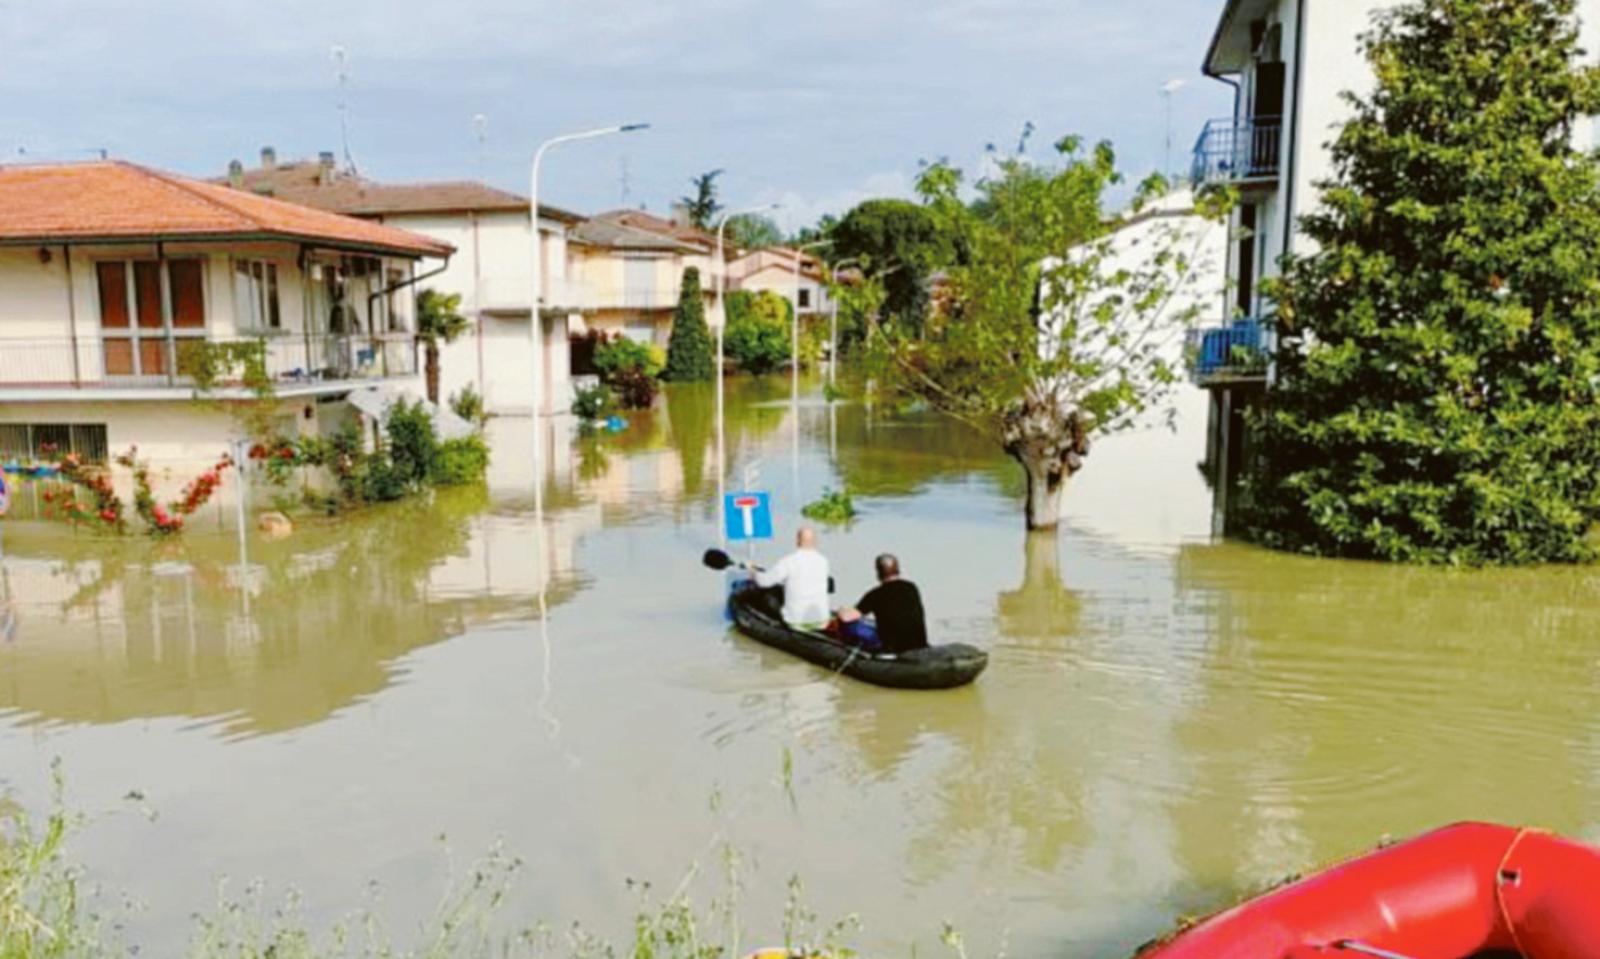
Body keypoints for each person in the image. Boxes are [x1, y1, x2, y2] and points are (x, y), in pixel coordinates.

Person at [838, 554, 928, 654]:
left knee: (853, 626)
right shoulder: (911, 588)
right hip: (920, 645)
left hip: (894, 649)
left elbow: (847, 618)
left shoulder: (875, 594)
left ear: (878, 572)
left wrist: (841, 611)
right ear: (897, 569)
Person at [750, 526, 831, 627]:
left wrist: (753, 573)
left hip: (795, 621)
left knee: (769, 596)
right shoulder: (823, 561)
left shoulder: (789, 561)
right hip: (822, 622)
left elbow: (764, 582)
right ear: (815, 541)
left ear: (797, 540)